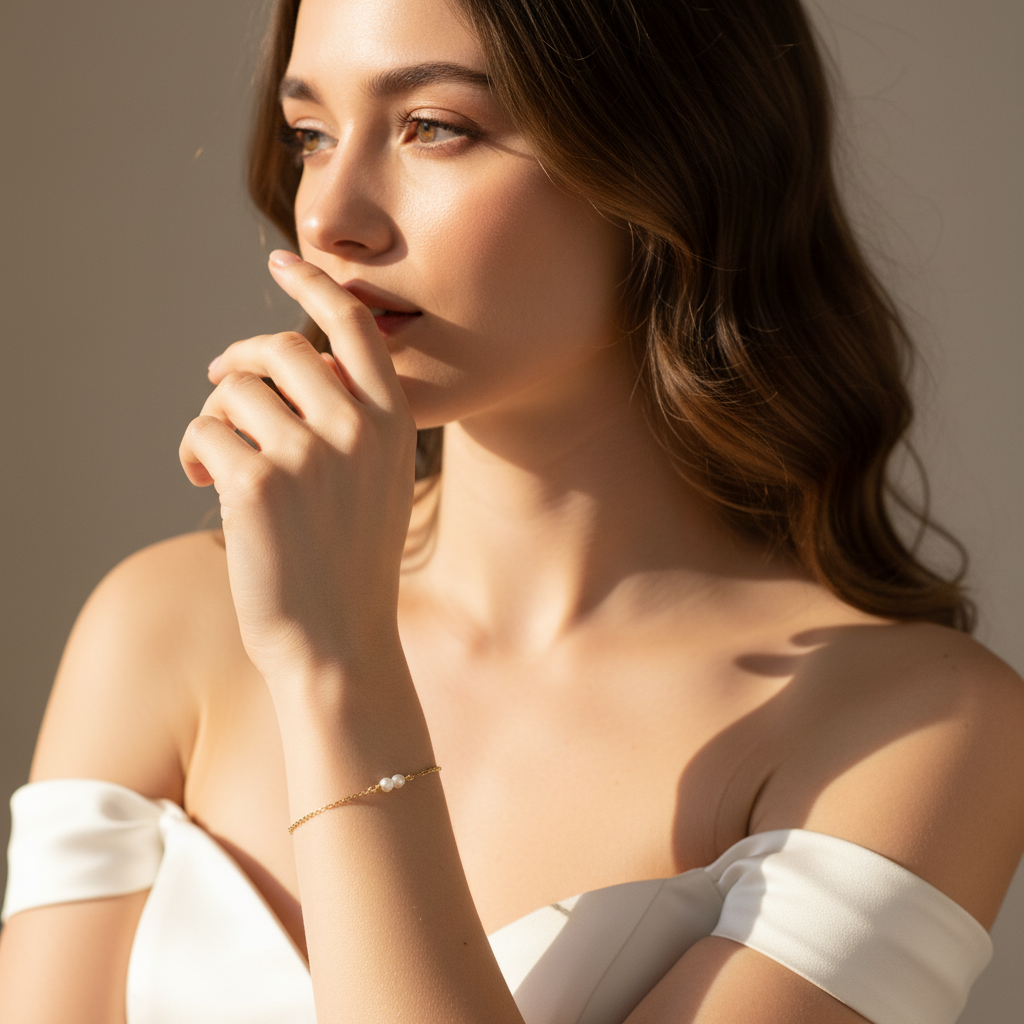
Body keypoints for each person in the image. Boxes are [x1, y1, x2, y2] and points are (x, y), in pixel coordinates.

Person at [0, 0, 1020, 1020]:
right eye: (311, 134)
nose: (328, 216)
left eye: (434, 126)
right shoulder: (167, 625)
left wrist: (338, 675)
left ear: (671, 152)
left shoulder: (911, 729)